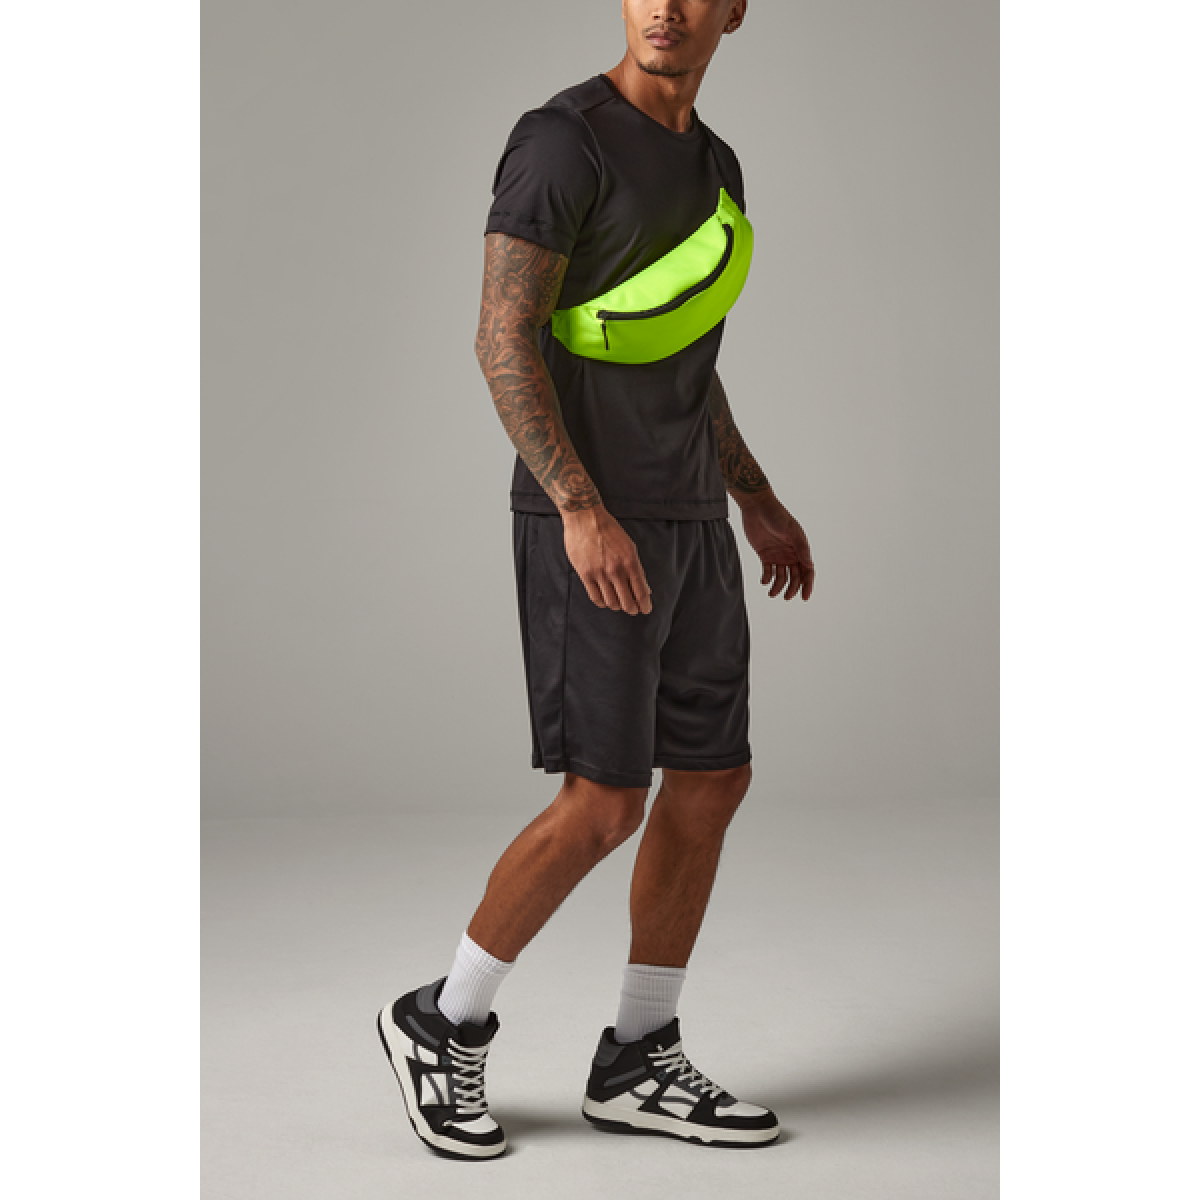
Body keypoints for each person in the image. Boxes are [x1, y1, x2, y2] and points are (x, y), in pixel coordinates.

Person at [377, 0, 814, 1160]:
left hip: (691, 519)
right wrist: (578, 505)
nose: (665, 7)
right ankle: (442, 1019)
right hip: (593, 525)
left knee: (712, 779)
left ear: (734, 11)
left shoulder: (716, 165)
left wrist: (755, 495)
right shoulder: (562, 140)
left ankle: (638, 1055)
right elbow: (502, 339)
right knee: (606, 801)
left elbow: (680, 353)